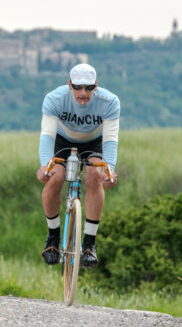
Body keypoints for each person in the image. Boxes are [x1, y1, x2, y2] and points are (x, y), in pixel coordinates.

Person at [36, 63, 119, 269]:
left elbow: (110, 139)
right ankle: (53, 238)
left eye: (89, 88)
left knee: (95, 176)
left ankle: (89, 244)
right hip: (62, 139)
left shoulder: (110, 102)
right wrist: (45, 166)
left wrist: (109, 170)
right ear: (69, 85)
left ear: (96, 86)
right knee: (55, 176)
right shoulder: (54, 99)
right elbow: (47, 135)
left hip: (94, 141)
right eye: (78, 87)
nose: (83, 93)